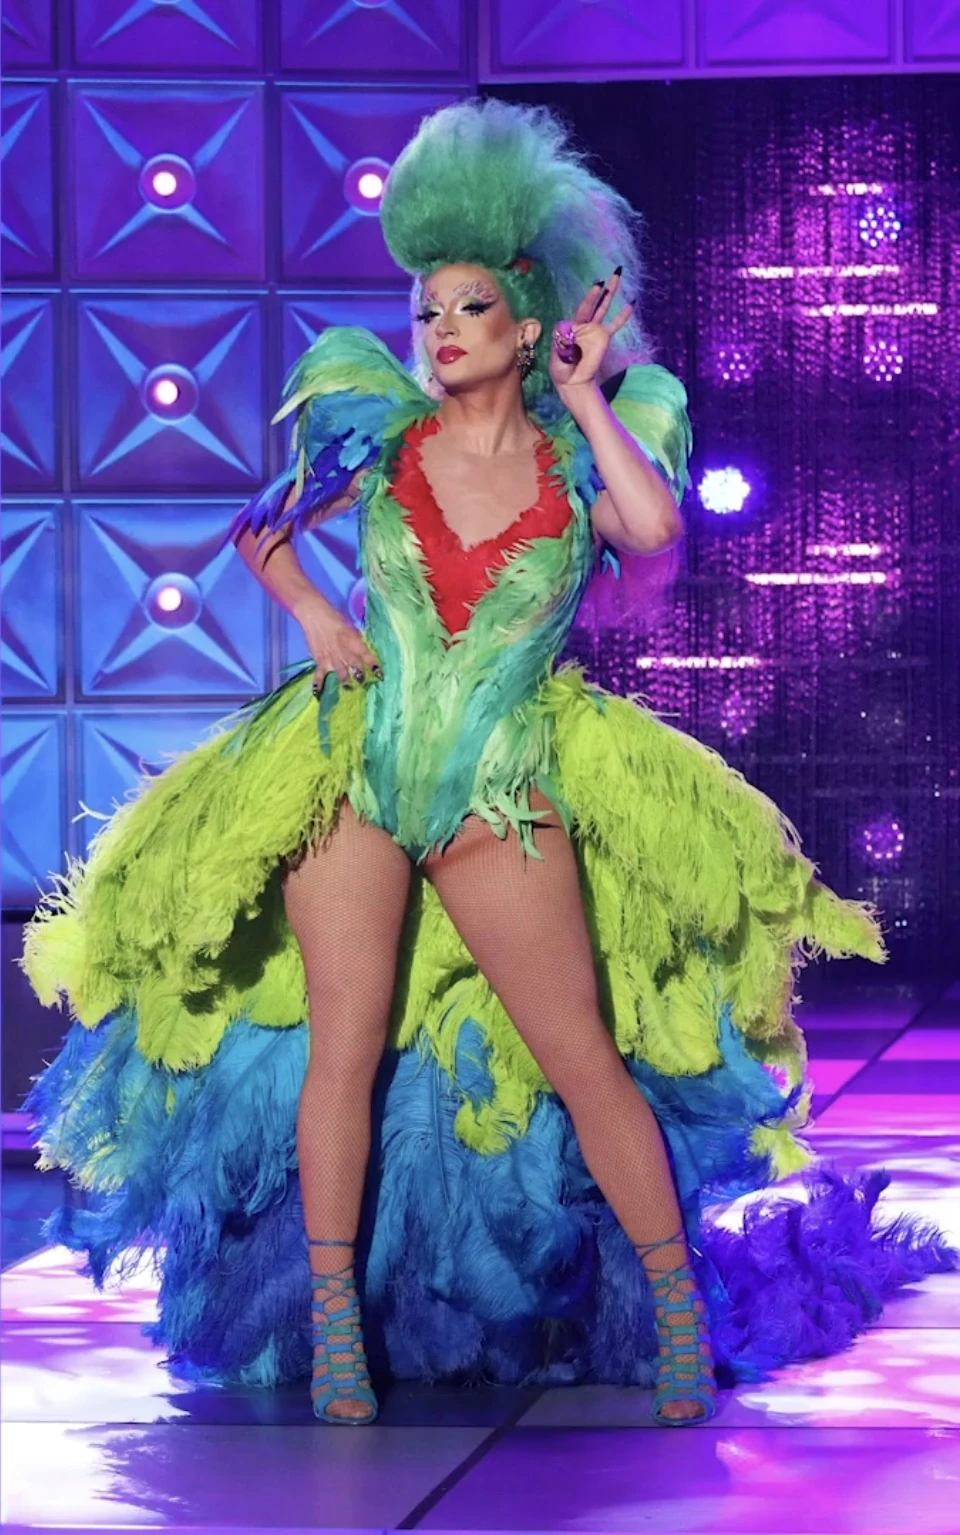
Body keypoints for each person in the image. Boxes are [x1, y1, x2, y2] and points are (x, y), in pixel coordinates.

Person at [20, 99, 953, 1430]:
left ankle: (675, 1311)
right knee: (343, 1049)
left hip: (501, 784)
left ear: (526, 326)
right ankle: (334, 1329)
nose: (438, 330)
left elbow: (655, 534)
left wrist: (585, 393)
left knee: (578, 1052)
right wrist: (317, 616)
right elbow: (260, 532)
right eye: (426, 311)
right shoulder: (382, 438)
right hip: (356, 770)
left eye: (468, 309)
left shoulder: (579, 457)